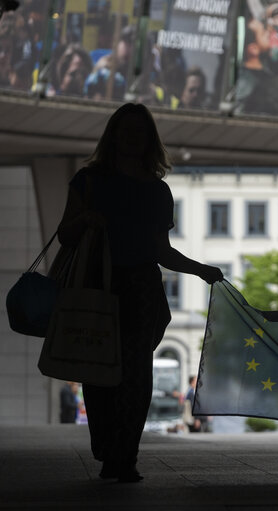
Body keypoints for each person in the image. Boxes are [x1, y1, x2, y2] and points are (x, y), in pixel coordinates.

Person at [57, 103, 224, 482]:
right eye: (126, 129)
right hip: (101, 286)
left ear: (149, 139)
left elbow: (160, 250)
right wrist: (85, 219)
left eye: (140, 131)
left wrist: (200, 270)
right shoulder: (90, 181)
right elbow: (65, 235)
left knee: (132, 375)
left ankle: (123, 455)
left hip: (137, 289)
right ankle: (111, 453)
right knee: (103, 374)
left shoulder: (156, 190)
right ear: (114, 134)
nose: (132, 137)